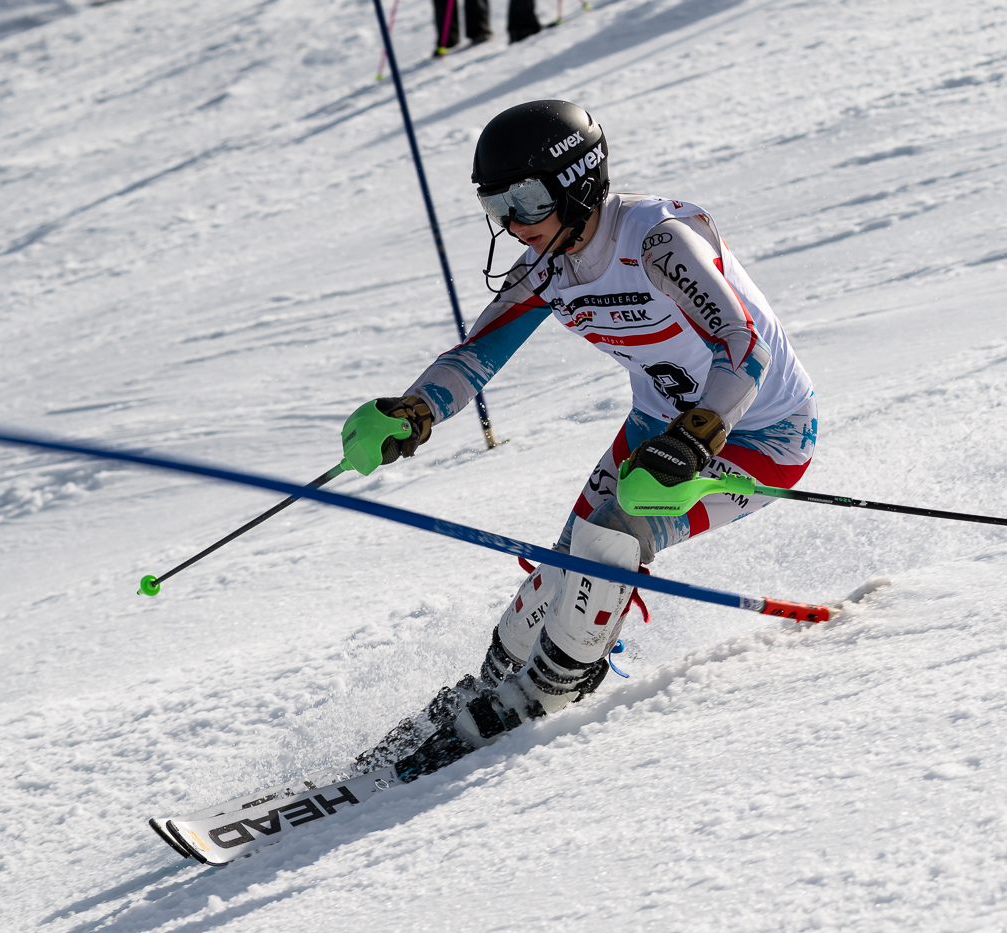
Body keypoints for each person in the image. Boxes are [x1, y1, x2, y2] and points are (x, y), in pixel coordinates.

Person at [347, 100, 818, 777]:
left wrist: (697, 437)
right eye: (497, 205)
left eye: (528, 199)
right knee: (563, 566)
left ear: (579, 180)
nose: (514, 225)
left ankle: (541, 695)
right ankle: (495, 680)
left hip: (763, 434)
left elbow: (743, 348)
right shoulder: (546, 265)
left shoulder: (656, 239)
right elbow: (476, 356)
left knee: (612, 538)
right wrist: (415, 410)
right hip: (658, 428)